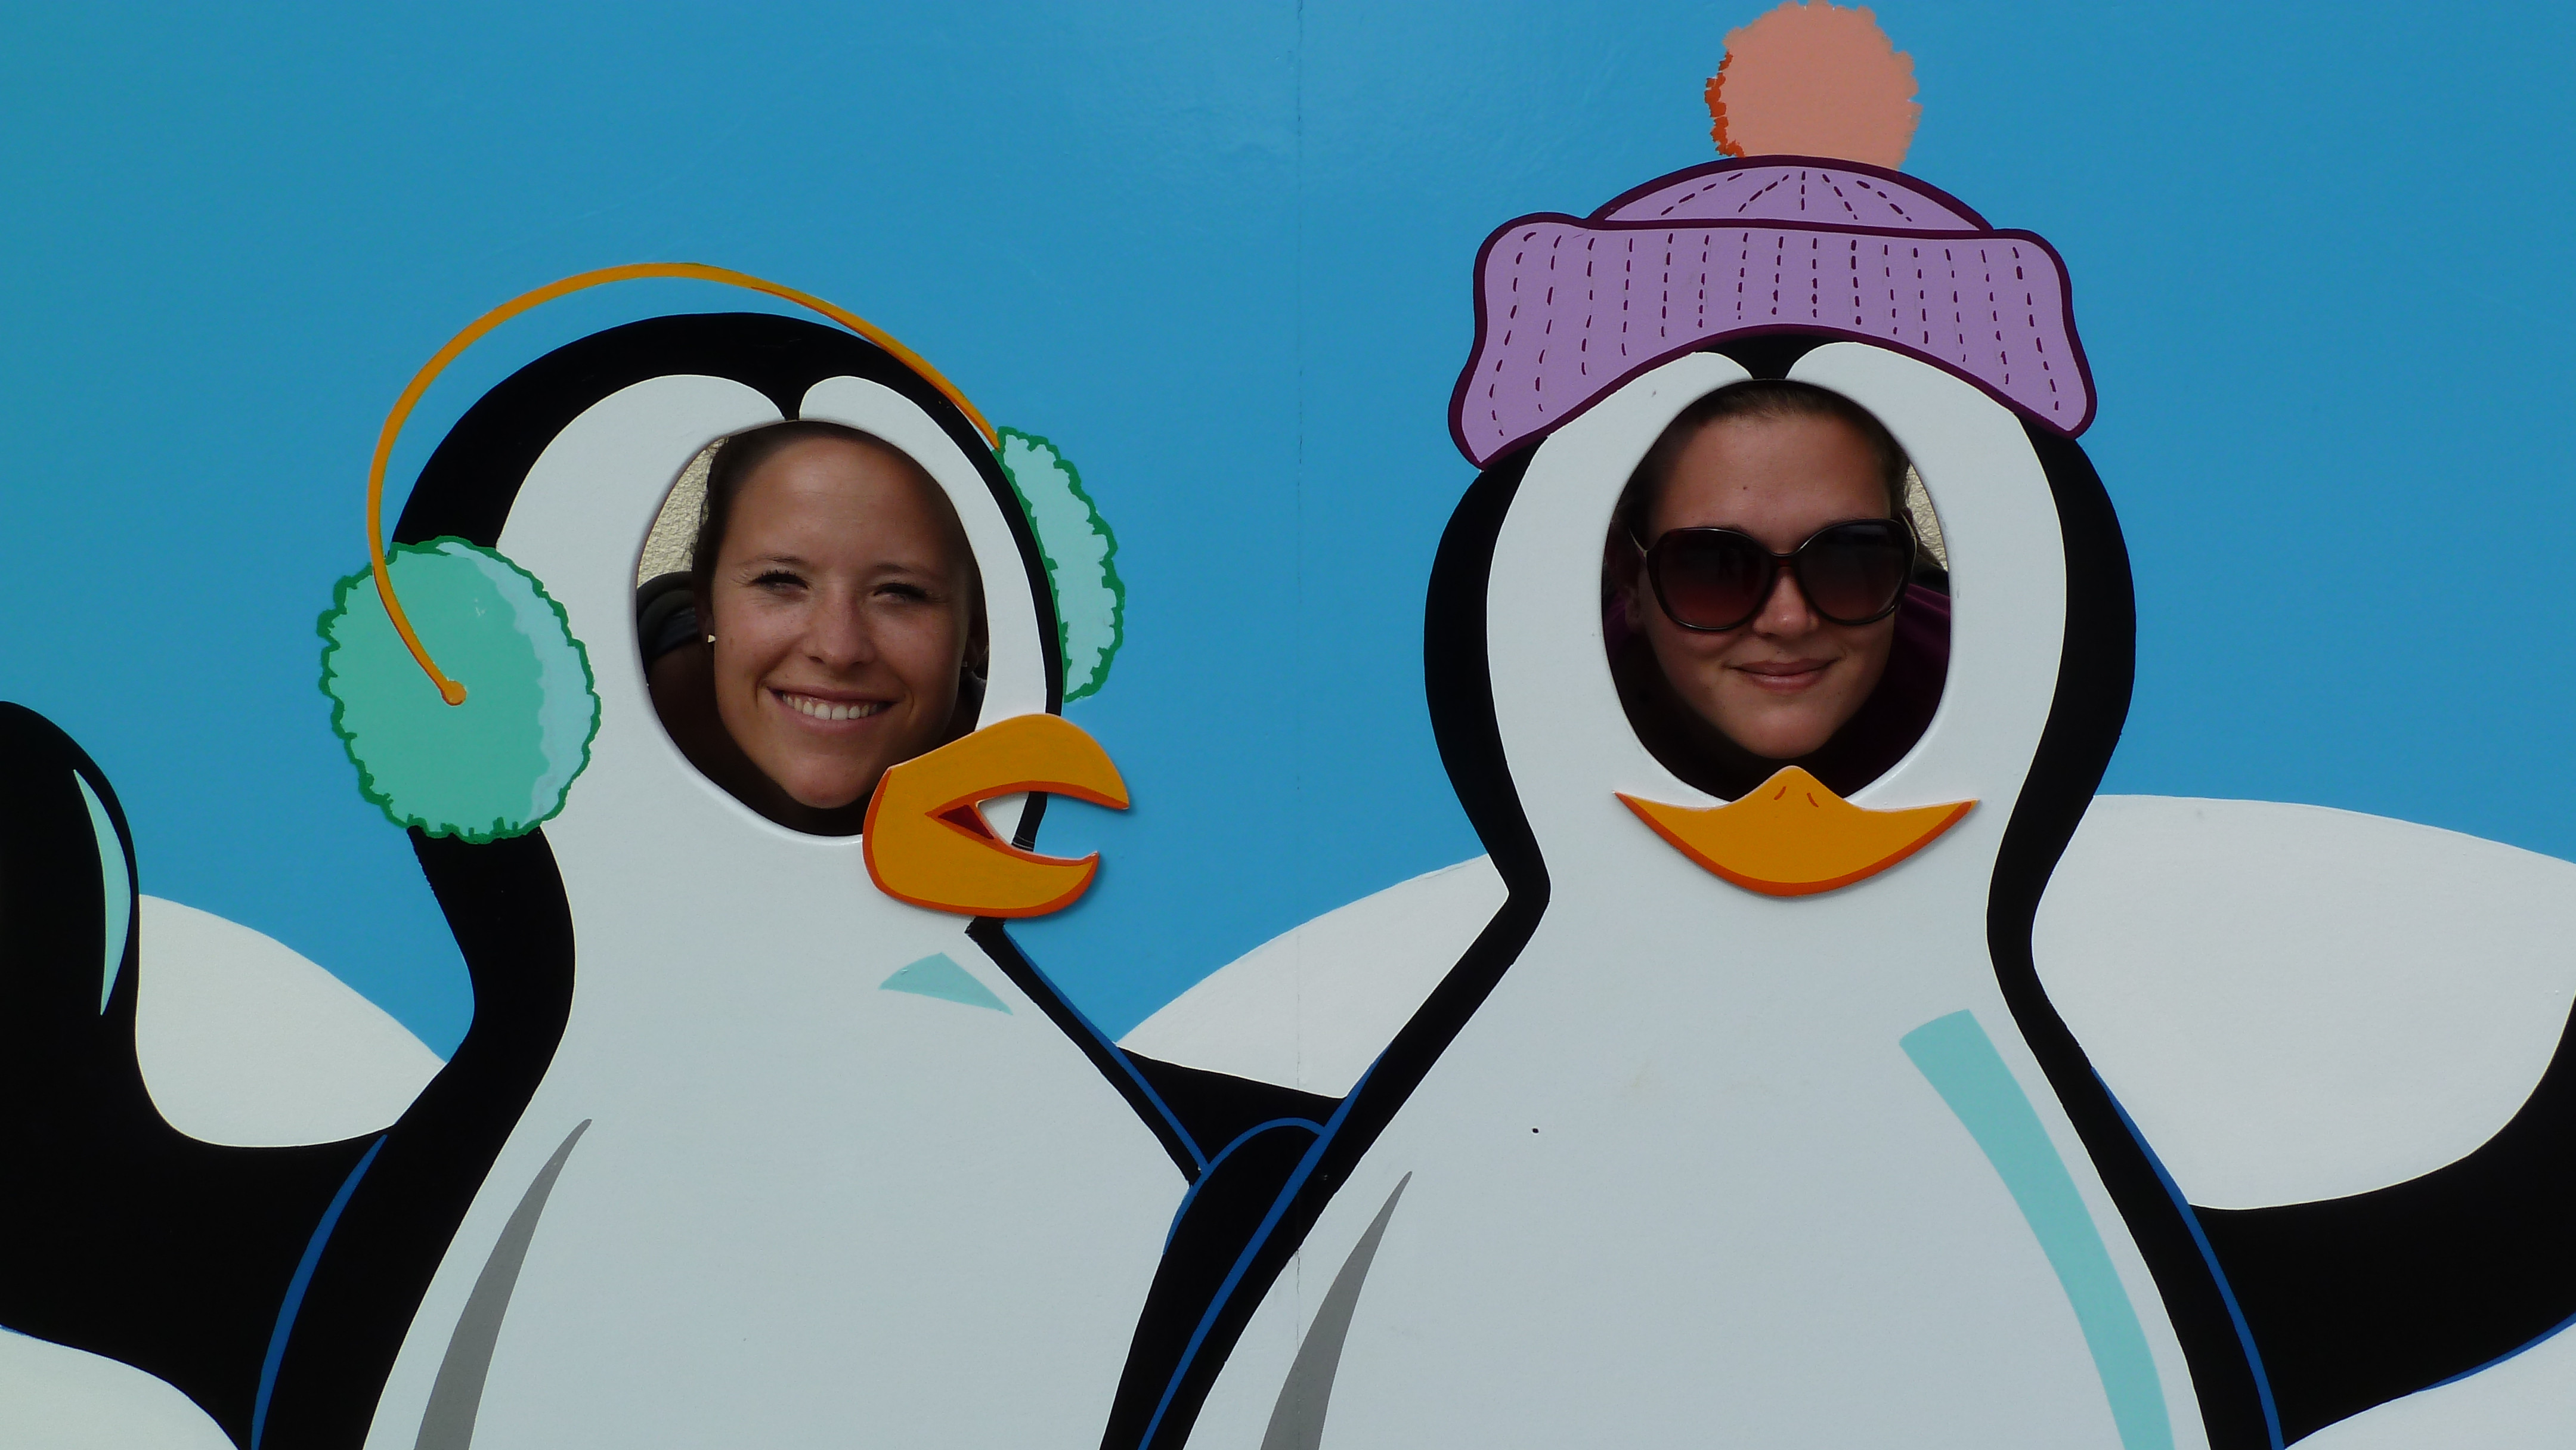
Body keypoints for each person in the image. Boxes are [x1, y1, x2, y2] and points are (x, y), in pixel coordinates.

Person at [1606, 379, 1949, 801]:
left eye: (1846, 555)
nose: (1789, 620)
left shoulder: (2000, 694)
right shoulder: (1543, 718)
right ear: (1630, 578)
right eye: (1716, 565)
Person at [640, 420, 987, 833]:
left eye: (901, 592)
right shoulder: (582, 725)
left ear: (978, 627)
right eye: (781, 581)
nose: (838, 650)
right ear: (706, 602)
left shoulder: (1037, 788)